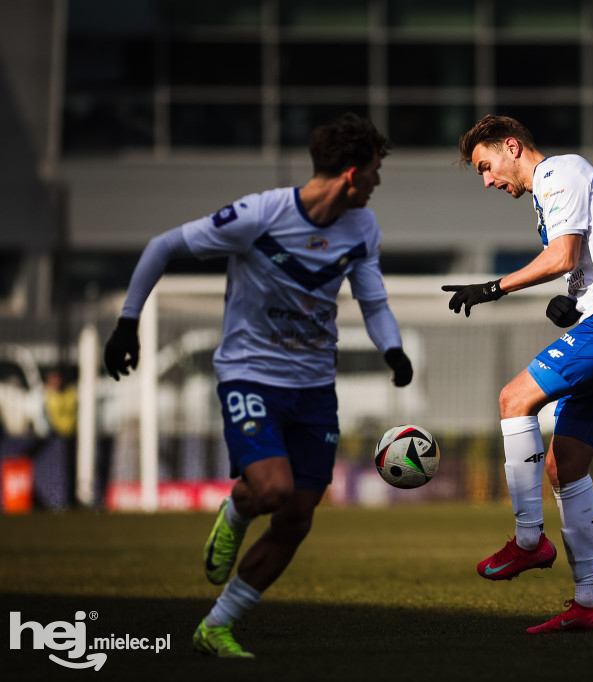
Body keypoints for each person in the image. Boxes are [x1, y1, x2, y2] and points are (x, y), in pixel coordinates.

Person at [103, 113, 413, 657]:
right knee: (273, 490)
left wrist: (392, 350)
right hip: (250, 374)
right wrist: (128, 322)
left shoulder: (361, 228)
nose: (377, 182)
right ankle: (238, 511)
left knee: (296, 516)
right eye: (374, 171)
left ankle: (216, 625)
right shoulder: (259, 214)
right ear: (349, 174)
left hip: (316, 387)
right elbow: (162, 246)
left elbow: (374, 301)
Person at [443, 114, 593, 634]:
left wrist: (492, 288)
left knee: (513, 399)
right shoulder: (552, 191)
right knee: (565, 467)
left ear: (512, 147)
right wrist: (572, 301)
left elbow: (562, 254)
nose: (487, 180)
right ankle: (591, 600)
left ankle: (527, 539)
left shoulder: (558, 172)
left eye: (486, 166)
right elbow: (586, 259)